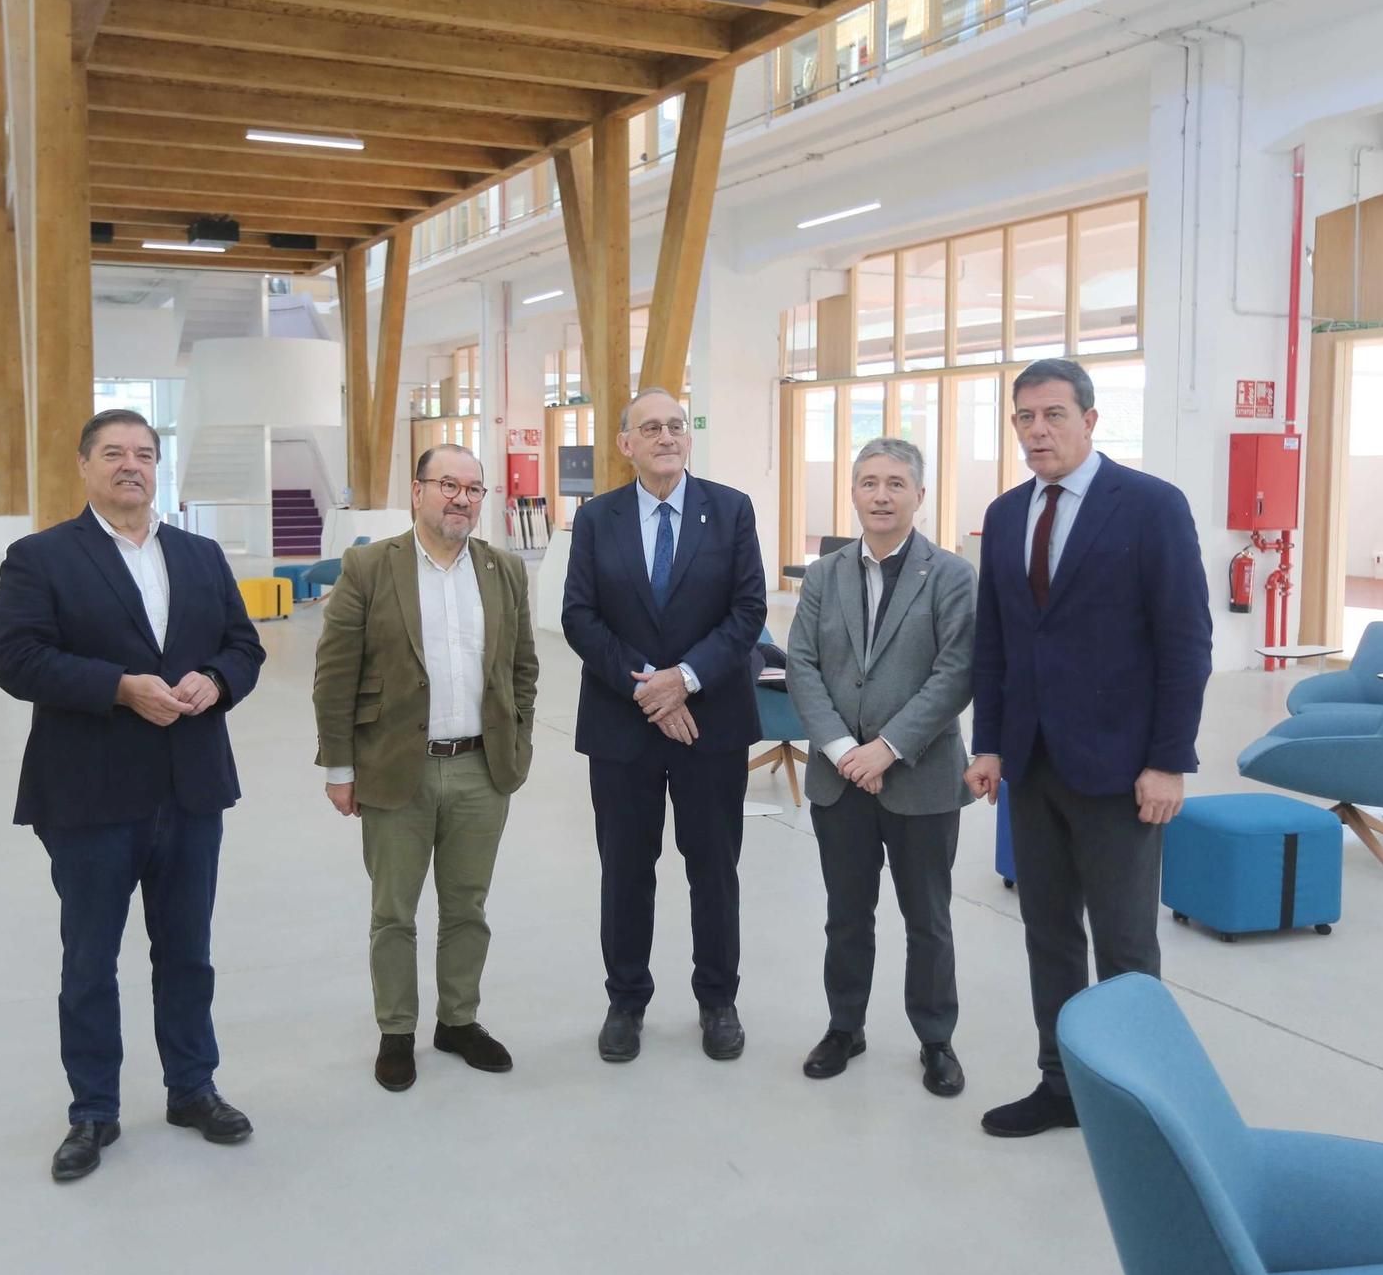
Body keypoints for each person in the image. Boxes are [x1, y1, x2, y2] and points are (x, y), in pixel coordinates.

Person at [0, 409, 266, 1182]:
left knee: (187, 953)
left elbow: (244, 645)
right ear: (84, 465)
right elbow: (14, 658)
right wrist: (116, 688)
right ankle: (93, 1110)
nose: (131, 466)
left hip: (191, 789)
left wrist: (217, 679)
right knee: (90, 960)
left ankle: (192, 1086)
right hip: (90, 793)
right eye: (113, 453)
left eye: (144, 453)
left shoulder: (201, 555)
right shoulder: (41, 557)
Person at [963, 358, 1212, 1137]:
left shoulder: (1149, 506)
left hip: (1121, 769)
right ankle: (1061, 1084)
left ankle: (1141, 1103)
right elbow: (996, 641)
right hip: (1032, 767)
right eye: (1025, 418)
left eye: (1054, 415)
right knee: (1050, 936)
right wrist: (992, 744)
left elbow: (1186, 640)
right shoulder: (1006, 515)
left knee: (1127, 943)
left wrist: (1169, 758)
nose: (1038, 430)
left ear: (1091, 420)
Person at [312, 445, 538, 1092]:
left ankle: (458, 1020)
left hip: (480, 769)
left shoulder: (503, 570)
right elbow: (335, 676)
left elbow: (522, 668)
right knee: (394, 911)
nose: (462, 497)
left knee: (468, 905)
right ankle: (397, 1030)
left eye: (474, 487)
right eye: (448, 484)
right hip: (393, 771)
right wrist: (338, 765)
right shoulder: (368, 567)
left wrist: (516, 746)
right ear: (418, 492)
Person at [562, 387, 767, 1063]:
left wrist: (687, 679)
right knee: (625, 869)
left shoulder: (730, 509)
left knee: (714, 868)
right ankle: (626, 999)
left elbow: (747, 611)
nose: (666, 436)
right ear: (626, 444)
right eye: (650, 427)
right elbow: (580, 616)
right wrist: (651, 686)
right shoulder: (597, 519)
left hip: (712, 723)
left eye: (676, 425)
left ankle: (718, 1000)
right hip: (623, 726)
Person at [785, 437, 977, 1097]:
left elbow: (956, 673)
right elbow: (802, 665)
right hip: (841, 782)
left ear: (919, 495)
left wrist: (887, 747)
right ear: (853, 493)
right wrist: (842, 750)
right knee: (846, 912)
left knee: (928, 917)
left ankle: (936, 1038)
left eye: (896, 483)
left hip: (920, 779)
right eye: (869, 482)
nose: (882, 495)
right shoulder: (824, 573)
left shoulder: (951, 576)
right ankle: (845, 1025)